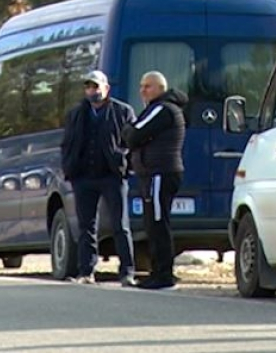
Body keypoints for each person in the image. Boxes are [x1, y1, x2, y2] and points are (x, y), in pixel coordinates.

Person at [61, 70, 137, 287]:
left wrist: (124, 162)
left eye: (96, 87)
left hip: (112, 176)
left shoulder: (122, 111)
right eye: (88, 87)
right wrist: (69, 166)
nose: (92, 92)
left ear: (106, 88)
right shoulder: (76, 114)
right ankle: (86, 271)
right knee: (86, 227)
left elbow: (132, 141)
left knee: (120, 225)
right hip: (84, 176)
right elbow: (67, 143)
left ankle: (127, 272)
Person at [123, 71, 187, 289]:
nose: (142, 90)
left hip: (160, 172)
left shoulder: (162, 109)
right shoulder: (155, 109)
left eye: (148, 86)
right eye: (141, 86)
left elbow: (132, 134)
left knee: (158, 223)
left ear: (161, 88)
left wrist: (132, 134)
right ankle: (156, 271)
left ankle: (163, 275)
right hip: (153, 173)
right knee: (152, 223)